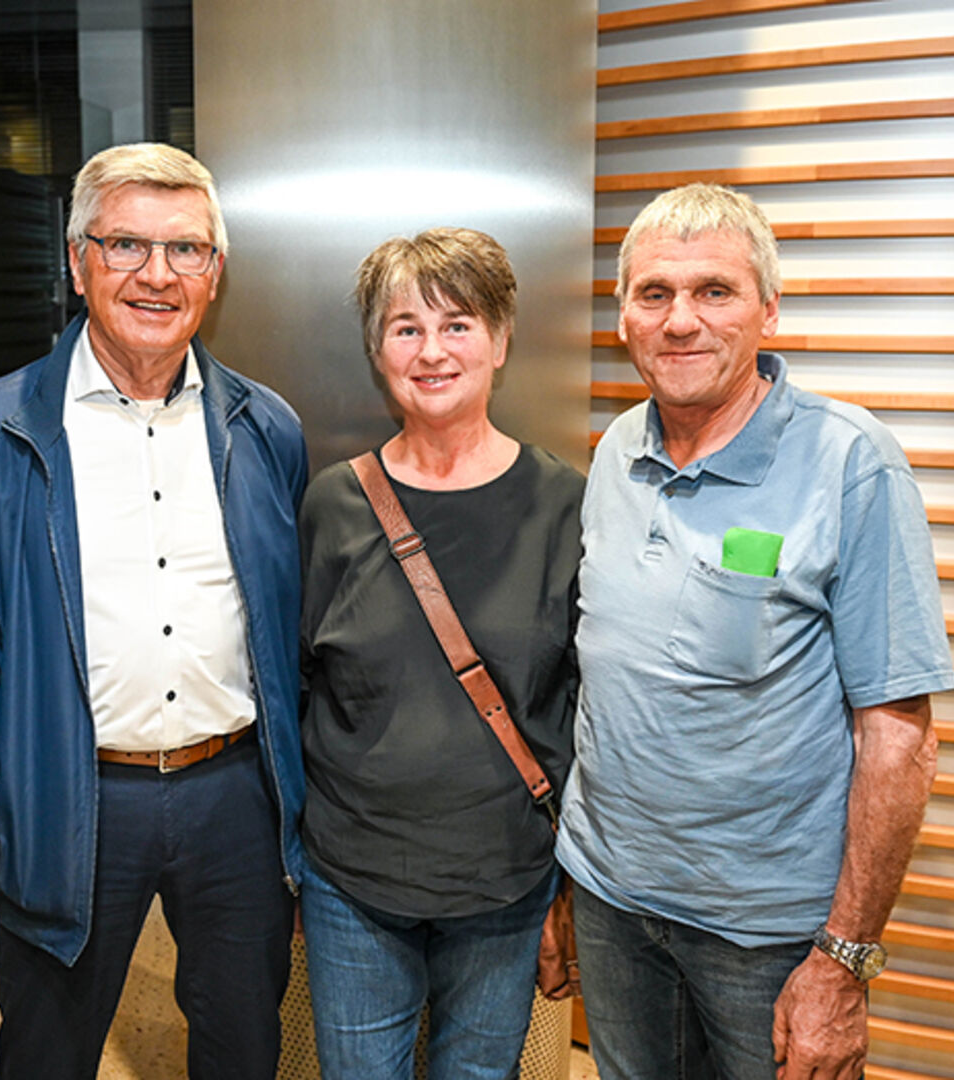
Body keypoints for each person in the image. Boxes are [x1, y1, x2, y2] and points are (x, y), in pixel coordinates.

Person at [556, 183, 954, 1080]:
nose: (680, 321)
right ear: (623, 314)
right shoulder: (616, 451)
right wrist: (568, 882)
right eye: (654, 293)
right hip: (614, 904)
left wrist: (843, 963)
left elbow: (898, 740)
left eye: (714, 292)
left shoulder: (851, 463)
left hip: (770, 938)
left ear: (768, 310)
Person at [0, 142, 308, 1079]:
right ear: (78, 262)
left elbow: (288, 631)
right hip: (69, 797)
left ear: (215, 273)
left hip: (234, 796)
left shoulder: (266, 430)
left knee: (242, 1046)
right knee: (47, 1052)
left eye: (186, 250)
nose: (157, 274)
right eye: (125, 246)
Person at [297, 228, 584, 1079]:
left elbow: (581, 696)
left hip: (505, 879)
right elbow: (297, 679)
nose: (431, 351)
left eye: (457, 325)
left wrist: (569, 879)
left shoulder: (567, 502)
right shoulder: (334, 504)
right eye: (405, 327)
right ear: (377, 350)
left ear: (500, 340)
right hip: (354, 879)